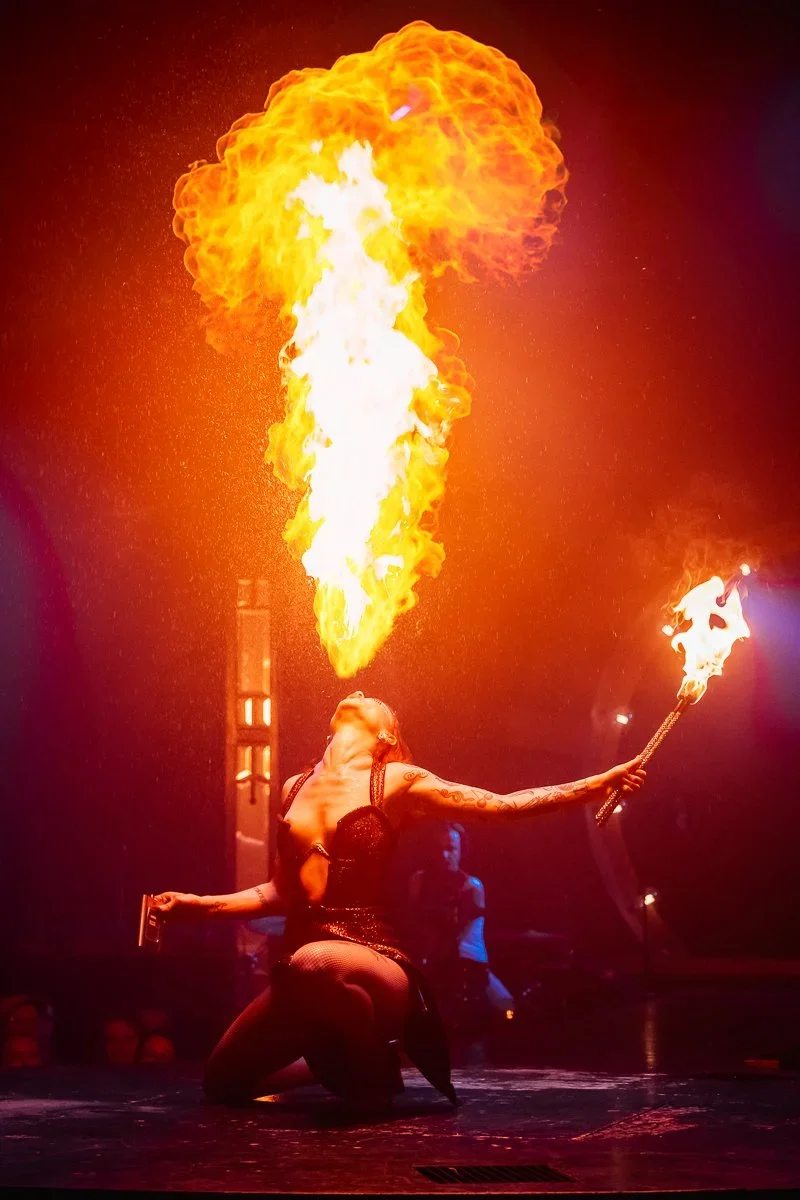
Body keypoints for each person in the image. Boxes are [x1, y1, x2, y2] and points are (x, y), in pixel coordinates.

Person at [153, 691, 644, 1111]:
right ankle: (333, 1068)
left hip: (374, 963)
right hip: (302, 969)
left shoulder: (398, 781)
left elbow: (502, 807)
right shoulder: (292, 789)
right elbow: (280, 892)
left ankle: (369, 1065)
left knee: (317, 960)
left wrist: (599, 784)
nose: (361, 692)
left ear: (387, 737)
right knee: (223, 1083)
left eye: (376, 703)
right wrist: (196, 905)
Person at [407, 823, 513, 1027]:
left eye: (450, 848)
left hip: (467, 962)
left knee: (500, 1010)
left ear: (462, 850)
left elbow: (456, 931)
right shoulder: (419, 880)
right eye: (437, 849)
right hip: (435, 961)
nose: (443, 855)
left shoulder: (471, 886)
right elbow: (414, 922)